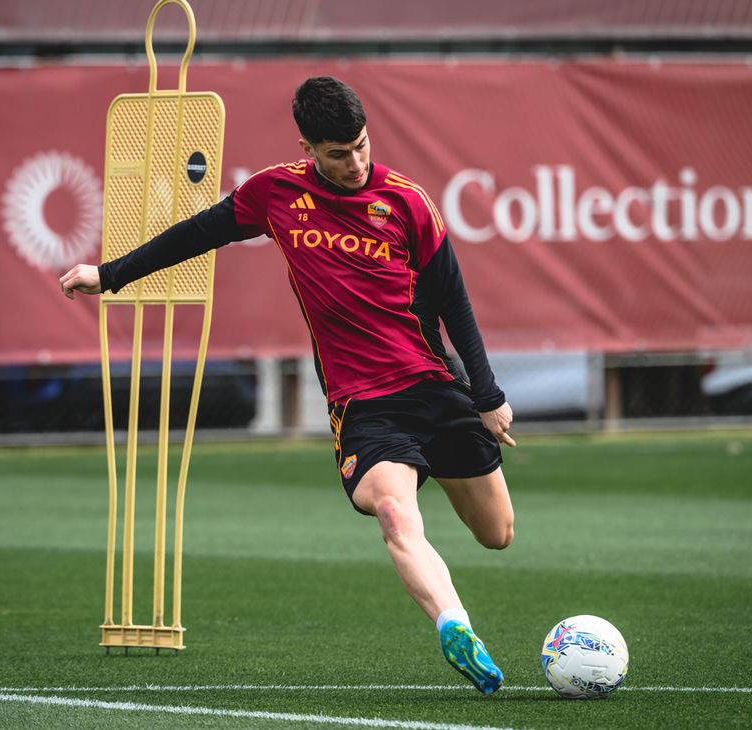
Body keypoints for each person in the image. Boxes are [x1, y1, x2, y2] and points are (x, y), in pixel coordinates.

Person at [60, 76, 515, 694]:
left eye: (361, 146)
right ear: (307, 147)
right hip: (364, 403)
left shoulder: (407, 202)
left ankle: (435, 471)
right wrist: (109, 275)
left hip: (434, 386)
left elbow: (453, 305)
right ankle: (455, 625)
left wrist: (486, 396)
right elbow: (196, 234)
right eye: (337, 153)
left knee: (496, 534)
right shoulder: (276, 194)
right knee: (392, 512)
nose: (355, 163)